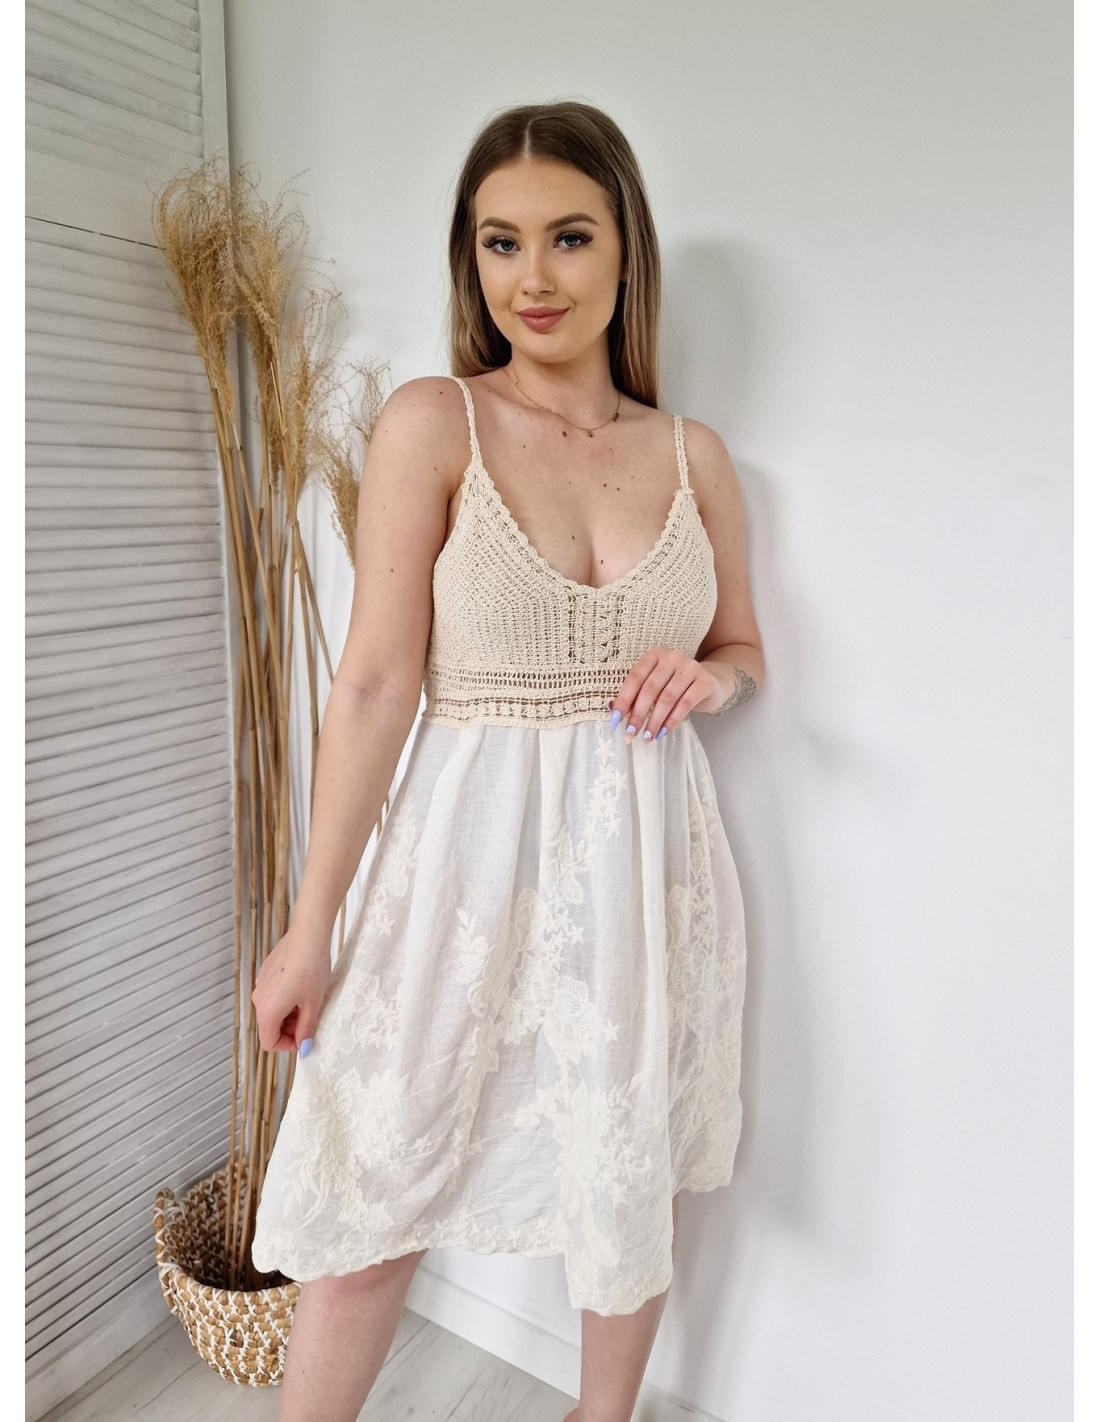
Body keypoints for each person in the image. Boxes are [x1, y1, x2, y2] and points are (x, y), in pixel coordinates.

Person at [250, 99, 764, 1422]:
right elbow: (374, 684)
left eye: (569, 236)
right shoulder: (436, 423)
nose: (532, 277)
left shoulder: (695, 456)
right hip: (461, 869)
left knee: (623, 1174)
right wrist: (310, 929)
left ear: (626, 252)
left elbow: (745, 646)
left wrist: (711, 677)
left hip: (643, 870)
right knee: (377, 1186)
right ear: (469, 259)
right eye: (500, 241)